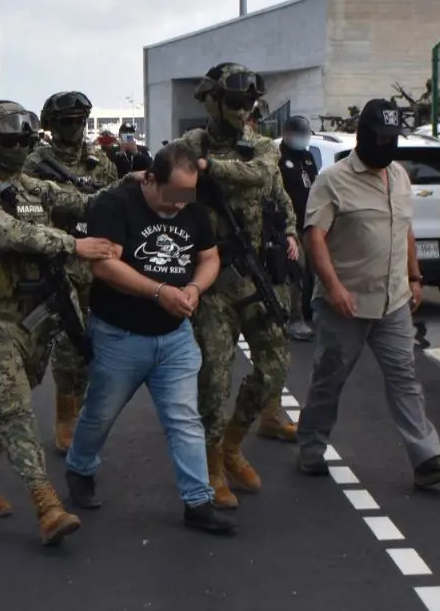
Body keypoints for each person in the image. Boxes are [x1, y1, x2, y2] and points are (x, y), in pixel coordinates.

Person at [0, 100, 119, 546]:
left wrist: (135, 189)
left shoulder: (30, 186)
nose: (21, 147)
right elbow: (12, 234)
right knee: (18, 411)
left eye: (26, 138)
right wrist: (73, 245)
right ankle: (46, 505)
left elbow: (81, 200)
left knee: (5, 408)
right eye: (10, 139)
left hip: (36, 319)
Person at [296, 99, 440, 487]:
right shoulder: (333, 179)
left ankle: (427, 459)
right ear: (364, 136)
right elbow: (315, 239)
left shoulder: (400, 177)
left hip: (393, 301)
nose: (387, 144)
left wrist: (414, 276)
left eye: (393, 137)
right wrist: (335, 288)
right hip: (346, 303)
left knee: (405, 377)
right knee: (329, 379)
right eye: (381, 137)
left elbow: (403, 227)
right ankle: (310, 445)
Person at [64, 141, 235, 532]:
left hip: (174, 336)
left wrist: (193, 289)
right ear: (150, 178)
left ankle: (198, 502)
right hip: (119, 335)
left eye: (185, 197)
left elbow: (209, 257)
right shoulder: (115, 204)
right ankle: (80, 468)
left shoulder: (192, 208)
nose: (178, 206)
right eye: (172, 196)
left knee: (184, 419)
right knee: (100, 414)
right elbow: (104, 267)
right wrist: (159, 292)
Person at [174, 62, 300, 508]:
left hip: (257, 273)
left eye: (249, 102)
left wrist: (289, 234)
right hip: (210, 280)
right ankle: (211, 464)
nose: (243, 110)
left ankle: (232, 442)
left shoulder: (262, 146)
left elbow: (271, 185)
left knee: (274, 370)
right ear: (210, 100)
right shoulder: (190, 145)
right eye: (234, 102)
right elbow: (173, 192)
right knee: (214, 378)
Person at [22, 91, 120, 453]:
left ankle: (84, 407)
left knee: (102, 342)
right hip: (58, 262)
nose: (76, 128)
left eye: (81, 120)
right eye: (67, 121)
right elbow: (28, 213)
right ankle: (66, 413)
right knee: (68, 343)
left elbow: (114, 203)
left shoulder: (100, 160)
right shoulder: (34, 164)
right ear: (51, 125)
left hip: (98, 262)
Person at [276, 115, 319, 342]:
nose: (303, 139)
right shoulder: (278, 159)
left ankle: (313, 311)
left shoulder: (307, 157)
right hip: (289, 226)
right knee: (296, 270)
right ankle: (294, 318)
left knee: (314, 269)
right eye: (298, 134)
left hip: (311, 223)